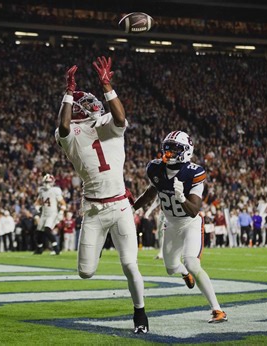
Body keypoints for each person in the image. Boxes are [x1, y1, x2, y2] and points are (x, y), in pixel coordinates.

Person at [55, 56, 148, 334]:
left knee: (130, 265)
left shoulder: (108, 122)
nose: (94, 106)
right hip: (93, 211)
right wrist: (69, 94)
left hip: (120, 206)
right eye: (88, 105)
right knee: (85, 272)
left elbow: (119, 116)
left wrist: (107, 84)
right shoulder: (71, 133)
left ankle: (140, 314)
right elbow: (63, 127)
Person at [132, 130, 228, 324]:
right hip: (170, 223)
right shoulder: (155, 168)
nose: (169, 152)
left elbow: (194, 210)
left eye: (175, 149)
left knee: (192, 262)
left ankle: (217, 310)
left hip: (190, 223)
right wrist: (131, 208)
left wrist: (182, 197)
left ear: (186, 150)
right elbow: (152, 192)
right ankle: (184, 273)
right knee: (170, 267)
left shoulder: (194, 172)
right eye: (168, 147)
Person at [33, 174, 66, 255]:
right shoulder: (41, 190)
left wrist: (61, 212)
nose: (47, 184)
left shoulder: (55, 190)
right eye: (46, 182)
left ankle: (56, 249)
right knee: (39, 232)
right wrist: (37, 207)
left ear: (53, 182)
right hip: (44, 213)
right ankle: (39, 249)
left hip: (52, 213)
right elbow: (38, 201)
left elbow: (63, 203)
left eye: (49, 182)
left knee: (47, 230)